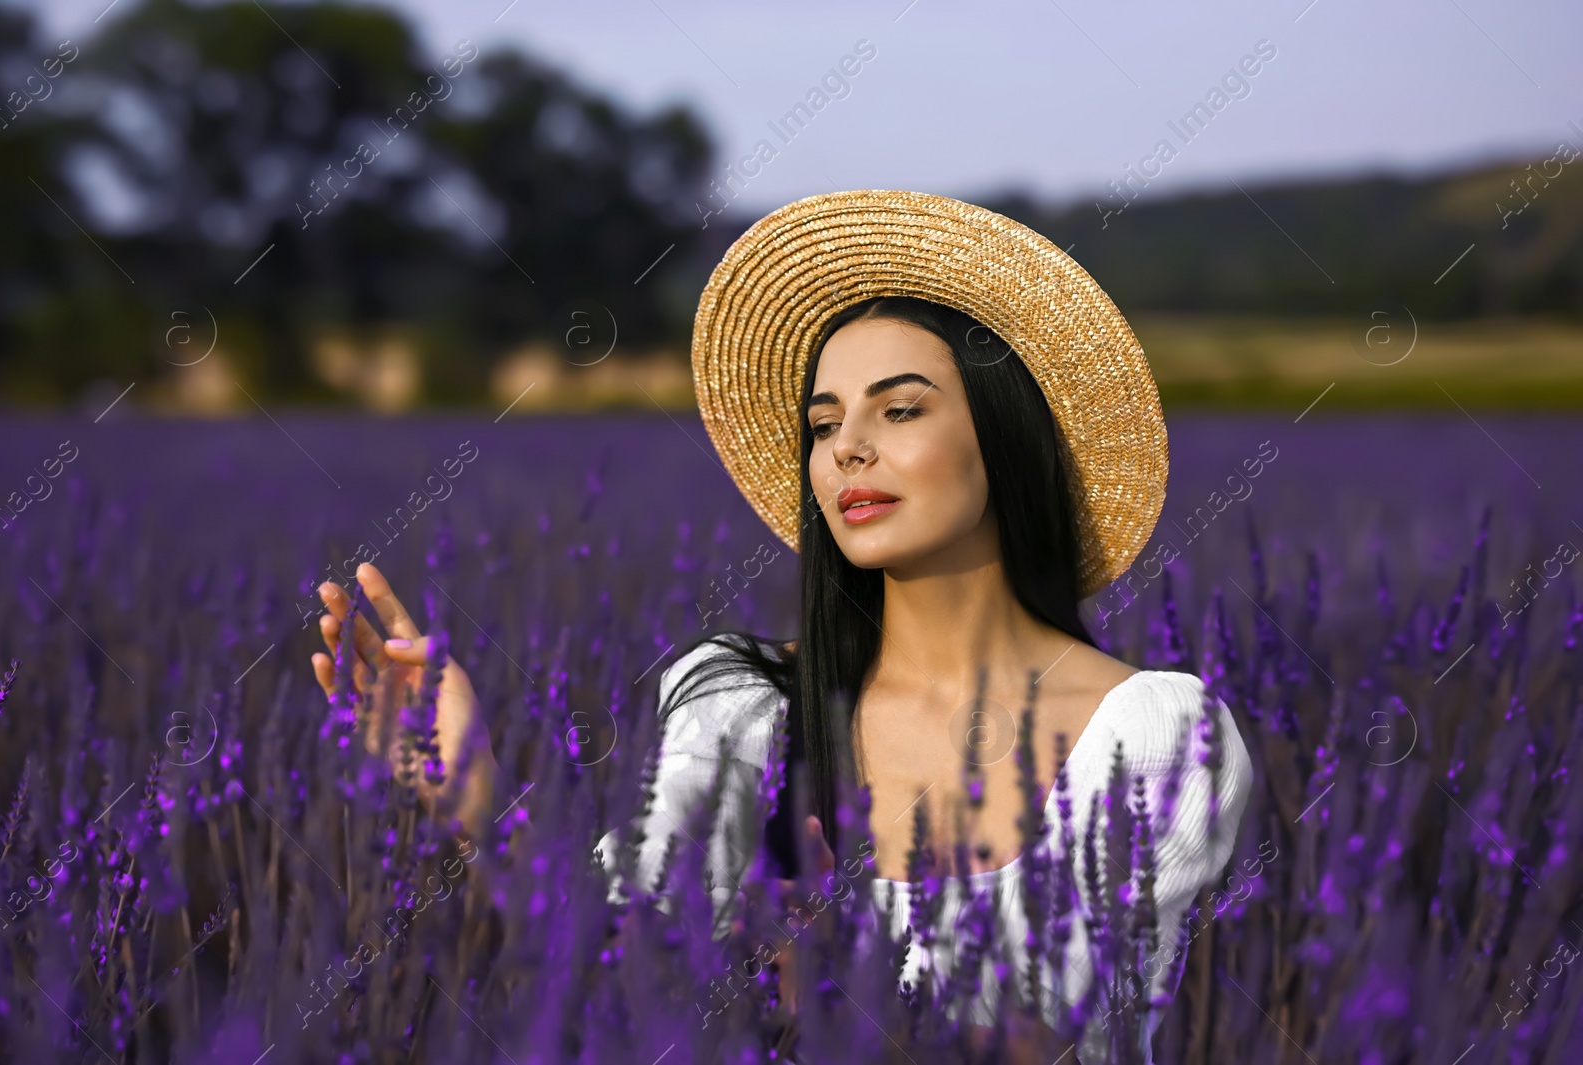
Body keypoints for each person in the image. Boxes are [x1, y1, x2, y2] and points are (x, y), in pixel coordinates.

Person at [309, 190, 1253, 1063]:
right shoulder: (739, 700)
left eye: (902, 407)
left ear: (1007, 439)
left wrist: (827, 969)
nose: (848, 446)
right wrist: (472, 793)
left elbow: (1055, 1025)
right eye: (823, 421)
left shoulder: (1153, 732)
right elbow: (602, 942)